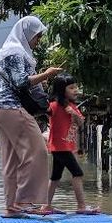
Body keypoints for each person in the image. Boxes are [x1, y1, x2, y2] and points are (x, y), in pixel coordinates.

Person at [0, 15, 62, 217]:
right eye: (37, 37)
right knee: (38, 151)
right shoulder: (16, 52)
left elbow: (23, 82)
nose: (38, 41)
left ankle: (11, 207)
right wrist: (47, 74)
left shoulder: (10, 51)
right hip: (12, 108)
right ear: (27, 33)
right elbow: (21, 82)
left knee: (11, 161)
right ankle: (24, 202)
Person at [45, 74, 99, 215]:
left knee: (55, 177)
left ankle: (46, 206)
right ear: (62, 90)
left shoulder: (72, 106)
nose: (76, 90)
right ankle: (81, 206)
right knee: (78, 173)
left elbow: (81, 122)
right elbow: (46, 112)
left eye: (76, 87)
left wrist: (73, 114)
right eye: (71, 87)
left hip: (64, 147)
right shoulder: (54, 106)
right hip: (60, 147)